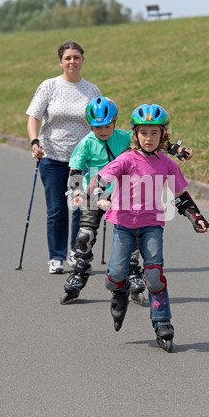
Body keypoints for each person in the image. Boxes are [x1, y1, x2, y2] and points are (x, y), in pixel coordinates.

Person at [89, 103, 209, 353]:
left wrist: (195, 216)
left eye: (155, 133)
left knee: (154, 275)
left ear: (163, 135)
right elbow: (99, 180)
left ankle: (162, 322)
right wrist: (100, 195)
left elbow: (180, 195)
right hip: (123, 225)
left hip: (151, 225)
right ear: (135, 134)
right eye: (144, 132)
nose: (149, 138)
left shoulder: (167, 164)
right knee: (113, 279)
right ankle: (119, 294)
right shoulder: (126, 160)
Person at [60, 97, 194, 306]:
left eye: (107, 126)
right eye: (97, 127)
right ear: (90, 126)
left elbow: (151, 142)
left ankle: (133, 272)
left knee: (131, 235)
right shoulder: (86, 142)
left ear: (114, 122)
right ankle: (80, 272)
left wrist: (177, 150)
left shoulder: (123, 137)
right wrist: (77, 191)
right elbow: (75, 170)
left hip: (123, 194)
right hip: (95, 192)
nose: (103, 131)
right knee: (85, 235)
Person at [26, 41, 101, 274]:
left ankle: (76, 252)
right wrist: (34, 142)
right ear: (60, 62)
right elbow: (33, 117)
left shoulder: (92, 91)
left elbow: (100, 123)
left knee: (80, 209)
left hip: (82, 161)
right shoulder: (49, 86)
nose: (72, 62)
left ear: (82, 60)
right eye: (67, 58)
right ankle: (56, 257)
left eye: (76, 57)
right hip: (52, 157)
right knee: (57, 209)